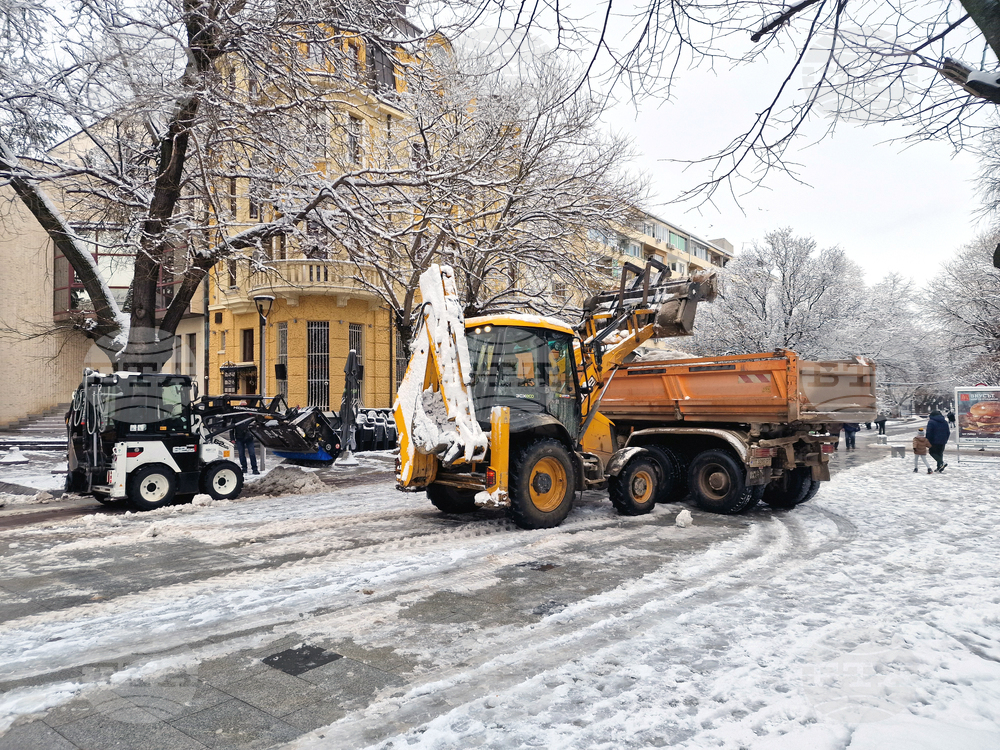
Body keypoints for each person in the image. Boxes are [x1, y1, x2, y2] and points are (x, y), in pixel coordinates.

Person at [231, 403, 259, 475]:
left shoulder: (250, 416)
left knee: (252, 453)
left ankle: (254, 469)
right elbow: (231, 428)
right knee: (241, 454)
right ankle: (244, 468)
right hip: (239, 437)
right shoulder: (236, 416)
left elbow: (256, 423)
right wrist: (232, 438)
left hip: (249, 437)